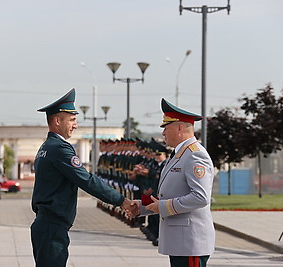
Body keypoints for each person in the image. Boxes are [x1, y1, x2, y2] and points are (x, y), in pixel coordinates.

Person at [30, 88, 137, 266]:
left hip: (47, 224)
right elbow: (87, 181)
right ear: (57, 120)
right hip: (52, 227)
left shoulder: (47, 147)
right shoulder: (60, 149)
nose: (76, 125)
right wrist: (122, 201)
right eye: (72, 120)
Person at [135, 98, 215, 267]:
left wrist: (162, 207)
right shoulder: (179, 154)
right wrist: (141, 206)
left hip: (190, 242)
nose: (163, 133)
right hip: (180, 242)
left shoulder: (195, 155)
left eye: (166, 127)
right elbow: (168, 195)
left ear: (179, 127)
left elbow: (200, 197)